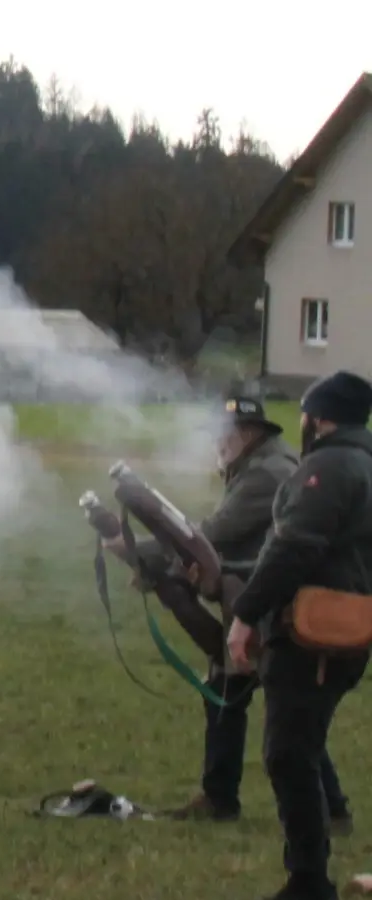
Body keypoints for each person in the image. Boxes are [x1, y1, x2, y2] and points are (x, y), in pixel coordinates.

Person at [114, 395, 351, 829]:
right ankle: (221, 796)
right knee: (232, 692)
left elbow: (211, 537)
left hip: (273, 602)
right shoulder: (258, 465)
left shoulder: (266, 474)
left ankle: (329, 809)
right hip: (259, 598)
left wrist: (140, 552)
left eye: (224, 434)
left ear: (247, 434)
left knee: (287, 716)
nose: (217, 442)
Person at [227, 371, 372, 900]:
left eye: (308, 413)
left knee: (289, 754)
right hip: (345, 630)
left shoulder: (330, 467)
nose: (303, 422)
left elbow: (294, 546)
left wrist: (244, 614)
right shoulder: (361, 463)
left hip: (313, 634)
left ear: (321, 416)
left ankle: (308, 882)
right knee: (299, 749)